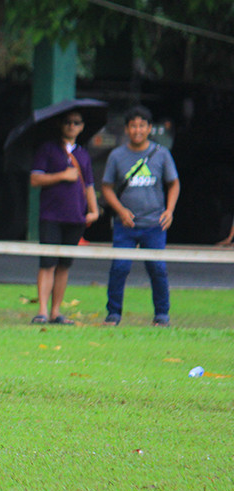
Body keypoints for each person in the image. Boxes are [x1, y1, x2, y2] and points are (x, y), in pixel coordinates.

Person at [100, 106, 180, 327]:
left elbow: (173, 183)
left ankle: (162, 315)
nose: (137, 130)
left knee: (157, 269)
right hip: (126, 224)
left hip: (154, 223)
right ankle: (113, 314)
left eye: (142, 125)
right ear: (127, 129)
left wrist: (169, 210)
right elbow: (106, 187)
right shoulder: (117, 155)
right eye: (133, 126)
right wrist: (121, 211)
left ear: (149, 128)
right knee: (120, 268)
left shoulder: (161, 154)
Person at [29, 110, 100, 325]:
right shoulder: (48, 149)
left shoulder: (83, 154)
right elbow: (35, 178)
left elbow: (89, 184)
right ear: (61, 125)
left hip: (75, 217)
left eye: (76, 122)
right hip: (51, 215)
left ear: (81, 127)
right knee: (47, 263)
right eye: (67, 122)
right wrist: (62, 175)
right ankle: (42, 310)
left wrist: (94, 210)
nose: (71, 126)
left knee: (64, 265)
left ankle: (56, 312)